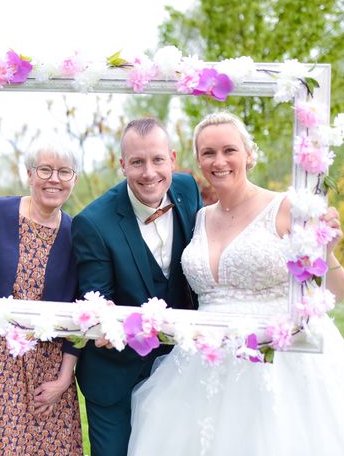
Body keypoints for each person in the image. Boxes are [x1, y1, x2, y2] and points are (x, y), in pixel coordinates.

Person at [128, 111, 344, 455]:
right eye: (208, 153)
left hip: (279, 363)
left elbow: (335, 291)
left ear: (249, 154)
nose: (218, 161)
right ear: (198, 160)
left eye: (229, 150)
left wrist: (328, 250)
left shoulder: (287, 208)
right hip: (201, 364)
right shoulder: (200, 217)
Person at [71, 117, 203, 456]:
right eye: (137, 162)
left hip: (180, 368)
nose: (149, 173)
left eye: (158, 160)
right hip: (116, 373)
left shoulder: (188, 190)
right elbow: (98, 302)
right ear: (122, 165)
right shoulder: (93, 223)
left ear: (172, 159)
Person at [0, 137, 83, 456]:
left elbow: (81, 313)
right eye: (45, 169)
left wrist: (64, 380)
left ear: (74, 179)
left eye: (64, 172)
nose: (54, 179)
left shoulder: (77, 234)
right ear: (29, 173)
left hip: (44, 370)